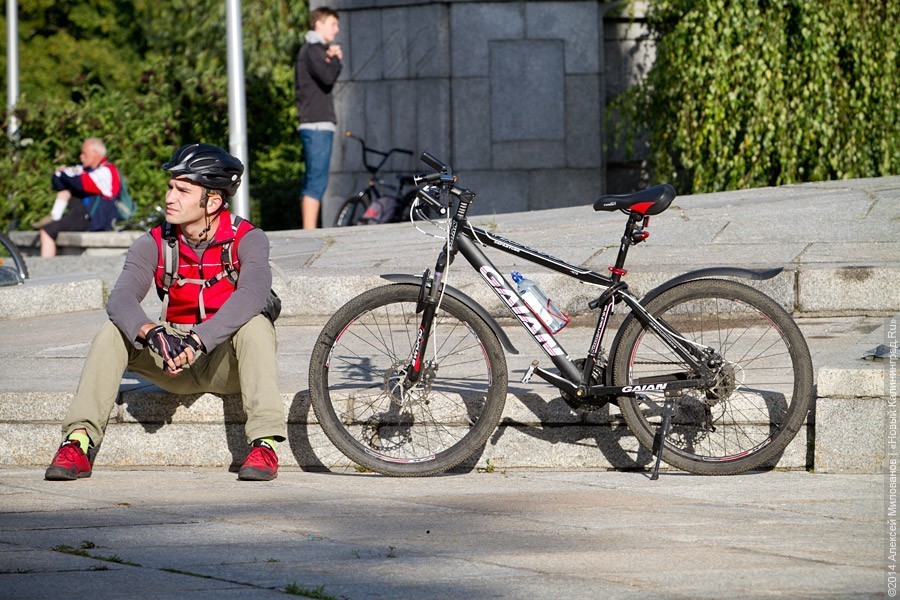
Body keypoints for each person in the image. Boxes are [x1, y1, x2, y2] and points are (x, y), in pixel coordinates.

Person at [44, 143, 286, 482]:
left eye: (183, 190)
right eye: (171, 187)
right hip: (170, 355)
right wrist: (152, 333)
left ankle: (264, 445)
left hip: (223, 361)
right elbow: (121, 298)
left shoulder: (248, 239)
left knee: (257, 326)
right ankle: (77, 443)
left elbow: (253, 294)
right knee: (113, 331)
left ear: (212, 201)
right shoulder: (154, 242)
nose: (170, 197)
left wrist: (199, 341)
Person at [294, 6, 342, 229]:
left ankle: (310, 229)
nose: (336, 29)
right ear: (318, 24)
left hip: (317, 125)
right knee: (316, 181)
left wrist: (330, 58)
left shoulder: (315, 51)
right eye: (333, 24)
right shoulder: (312, 50)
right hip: (316, 126)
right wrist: (335, 59)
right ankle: (309, 231)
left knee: (315, 179)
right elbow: (327, 77)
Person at [36, 137, 122, 257]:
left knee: (46, 231)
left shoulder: (107, 171)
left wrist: (64, 173)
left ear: (95, 153)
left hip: (94, 219)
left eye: (84, 153)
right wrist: (61, 174)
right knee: (65, 190)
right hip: (82, 214)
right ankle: (55, 216)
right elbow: (58, 183)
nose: (81, 157)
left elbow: (81, 183)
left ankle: (46, 265)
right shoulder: (86, 169)